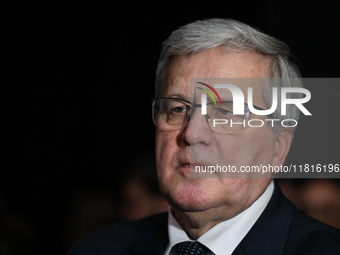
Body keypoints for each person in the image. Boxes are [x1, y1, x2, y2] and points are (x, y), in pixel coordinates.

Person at [67, 18, 340, 255]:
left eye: (226, 112)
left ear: (278, 147)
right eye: (177, 108)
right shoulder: (96, 249)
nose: (192, 133)